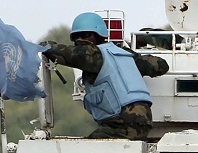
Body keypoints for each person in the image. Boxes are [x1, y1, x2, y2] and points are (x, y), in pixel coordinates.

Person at [44, 12, 169, 140]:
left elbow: (56, 50)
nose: (80, 39)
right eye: (76, 36)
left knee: (86, 148)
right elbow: (160, 66)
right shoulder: (125, 54)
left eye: (86, 35)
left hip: (122, 124)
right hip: (143, 122)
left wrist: (40, 46)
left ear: (99, 36)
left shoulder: (92, 55)